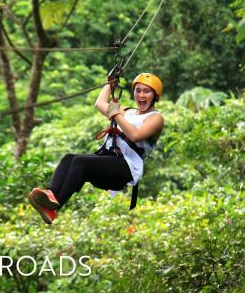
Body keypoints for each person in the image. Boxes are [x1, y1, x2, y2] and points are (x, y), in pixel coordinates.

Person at [27, 73, 164, 224]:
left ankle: (53, 208)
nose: (141, 95)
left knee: (80, 162)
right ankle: (51, 197)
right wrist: (110, 84)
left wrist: (116, 114)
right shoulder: (128, 112)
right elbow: (100, 103)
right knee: (68, 158)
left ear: (155, 95)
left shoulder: (155, 118)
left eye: (146, 91)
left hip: (126, 167)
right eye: (138, 90)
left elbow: (136, 135)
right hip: (110, 160)